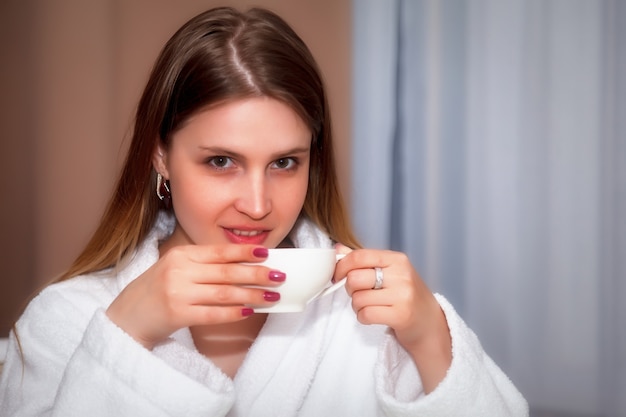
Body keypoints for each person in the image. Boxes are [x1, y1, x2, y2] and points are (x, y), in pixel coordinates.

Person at [0, 6, 528, 416]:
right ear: (159, 154)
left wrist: (430, 335)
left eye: (284, 162)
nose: (256, 206)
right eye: (221, 161)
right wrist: (127, 335)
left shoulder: (361, 320)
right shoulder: (65, 321)